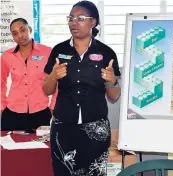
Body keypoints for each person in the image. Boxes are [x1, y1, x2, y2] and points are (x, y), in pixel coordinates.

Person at [43, 1, 121, 176]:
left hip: (96, 127)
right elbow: (46, 90)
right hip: (63, 126)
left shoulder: (106, 53)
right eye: (71, 19)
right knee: (64, 171)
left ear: (93, 22)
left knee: (94, 173)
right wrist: (53, 76)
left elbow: (114, 96)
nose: (73, 23)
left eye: (80, 19)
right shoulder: (59, 50)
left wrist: (112, 81)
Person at [1, 18, 57, 131]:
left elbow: (58, 81)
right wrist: (2, 106)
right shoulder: (7, 56)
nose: (20, 36)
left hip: (40, 113)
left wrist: (53, 107)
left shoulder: (48, 52)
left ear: (30, 29)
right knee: (10, 147)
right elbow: (1, 82)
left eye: (23, 30)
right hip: (12, 113)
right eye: (15, 33)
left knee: (40, 147)